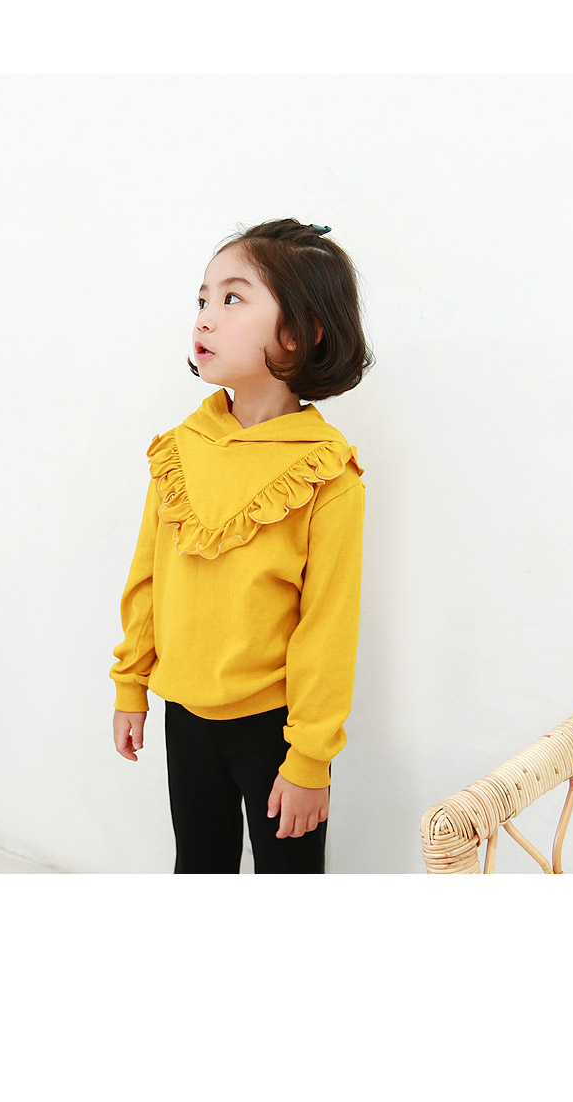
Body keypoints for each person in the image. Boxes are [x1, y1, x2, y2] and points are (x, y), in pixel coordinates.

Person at [109, 217, 373, 873]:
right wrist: (131, 683)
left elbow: (328, 626)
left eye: (232, 298)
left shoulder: (325, 472)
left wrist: (310, 758)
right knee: (199, 864)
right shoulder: (180, 450)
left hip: (276, 728)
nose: (204, 317)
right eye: (203, 298)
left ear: (300, 331)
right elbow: (147, 577)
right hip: (184, 714)